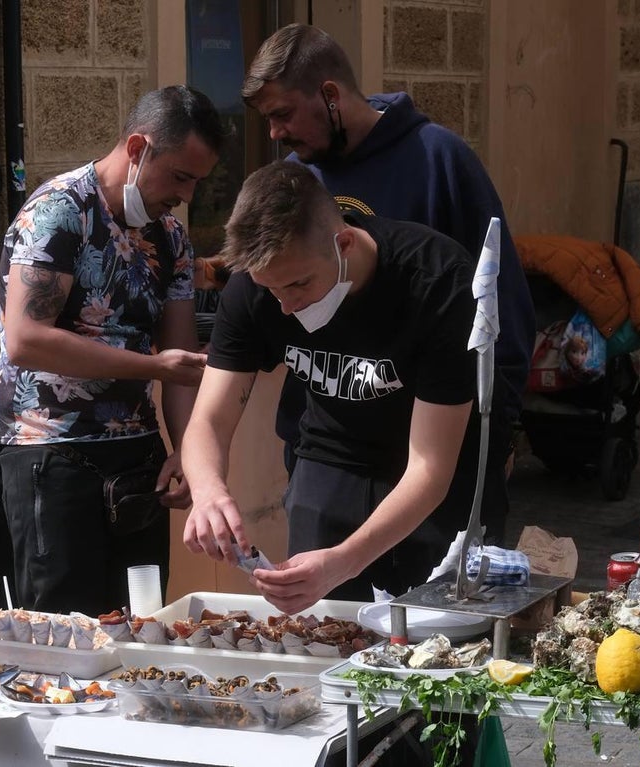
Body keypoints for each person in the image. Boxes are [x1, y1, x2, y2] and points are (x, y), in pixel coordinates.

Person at [241, 23, 535, 541]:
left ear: (330, 95)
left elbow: (499, 301)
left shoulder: (439, 160)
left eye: (282, 114)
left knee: (438, 620)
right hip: (327, 462)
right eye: (267, 119)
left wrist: (498, 429)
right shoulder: (294, 179)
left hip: (436, 453)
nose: (274, 133)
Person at [182, 160, 490, 613]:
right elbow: (209, 418)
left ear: (343, 243)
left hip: (427, 477)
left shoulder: (437, 279)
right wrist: (207, 490)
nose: (286, 306)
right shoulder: (256, 284)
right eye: (272, 290)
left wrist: (344, 562)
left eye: (299, 283)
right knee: (323, 637)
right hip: (328, 462)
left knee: (435, 643)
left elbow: (430, 469)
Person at [0, 85, 227, 616]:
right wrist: (151, 365)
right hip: (52, 453)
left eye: (197, 182)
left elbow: (181, 361)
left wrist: (189, 452)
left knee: (141, 628)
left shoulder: (170, 236)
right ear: (139, 149)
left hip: (136, 458)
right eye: (181, 177)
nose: (187, 196)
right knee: (64, 636)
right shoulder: (59, 211)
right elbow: (25, 340)